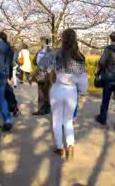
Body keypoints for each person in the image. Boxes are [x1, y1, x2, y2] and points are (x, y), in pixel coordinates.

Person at [40, 29, 88, 160]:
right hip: (71, 91)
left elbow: (43, 66)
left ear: (63, 39)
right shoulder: (80, 57)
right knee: (68, 120)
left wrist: (46, 50)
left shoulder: (56, 54)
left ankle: (60, 147)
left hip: (57, 89)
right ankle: (71, 145)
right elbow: (83, 80)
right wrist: (82, 93)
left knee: (56, 120)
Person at [32, 37, 52, 116]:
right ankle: (47, 109)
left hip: (41, 72)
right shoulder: (52, 52)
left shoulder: (40, 52)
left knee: (41, 91)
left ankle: (41, 109)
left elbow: (35, 62)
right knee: (47, 91)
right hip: (50, 74)